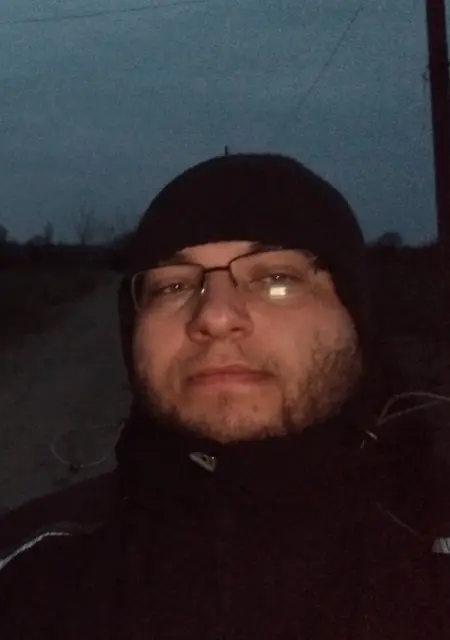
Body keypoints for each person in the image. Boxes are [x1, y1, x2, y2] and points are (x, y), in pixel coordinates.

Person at [0, 153, 448, 638]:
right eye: (173, 285)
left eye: (276, 279)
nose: (214, 316)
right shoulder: (23, 575)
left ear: (356, 317)